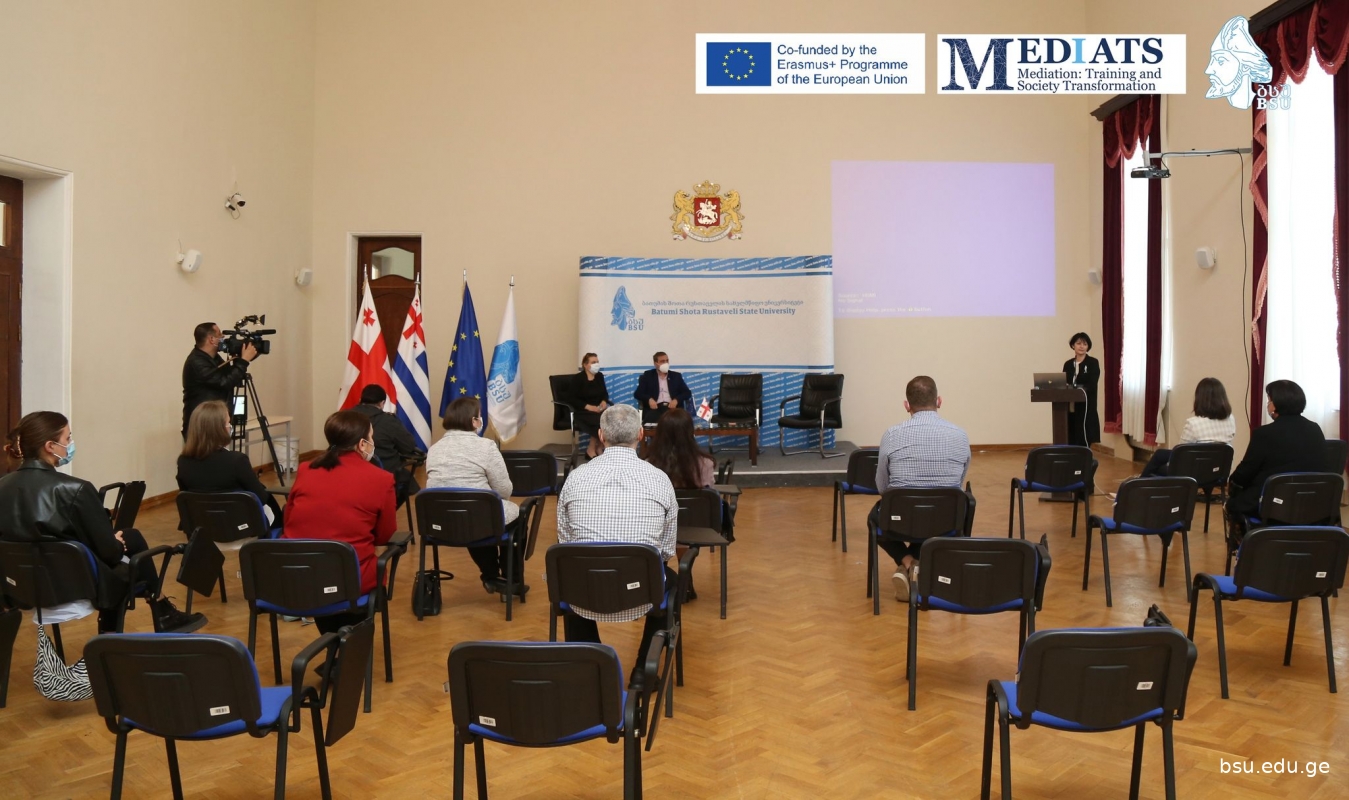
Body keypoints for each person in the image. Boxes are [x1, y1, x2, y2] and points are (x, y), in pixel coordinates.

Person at [0, 411, 205, 633]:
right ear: (50, 446)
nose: (70, 444)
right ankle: (150, 616)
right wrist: (116, 544)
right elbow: (110, 554)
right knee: (125, 556)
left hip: (20, 586)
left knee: (129, 538)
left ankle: (160, 612)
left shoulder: (3, 486)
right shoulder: (75, 489)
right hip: (73, 586)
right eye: (68, 438)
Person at [556, 404, 677, 674]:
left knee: (572, 571)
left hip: (583, 593)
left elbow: (565, 546)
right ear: (641, 434)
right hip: (642, 593)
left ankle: (592, 669)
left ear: (601, 435)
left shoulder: (575, 478)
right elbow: (667, 550)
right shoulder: (660, 479)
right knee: (672, 580)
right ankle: (643, 672)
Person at [282, 410, 396, 634]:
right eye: (371, 437)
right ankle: (346, 645)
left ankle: (334, 642)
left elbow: (289, 520)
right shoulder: (381, 479)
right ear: (362, 444)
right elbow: (384, 535)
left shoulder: (306, 469)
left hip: (300, 574)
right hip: (350, 577)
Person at [871, 376, 972, 602]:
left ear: (907, 405)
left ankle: (908, 563)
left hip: (902, 517)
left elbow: (883, 487)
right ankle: (915, 565)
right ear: (939, 401)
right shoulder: (960, 435)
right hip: (947, 518)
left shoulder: (892, 434)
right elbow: (959, 483)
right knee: (930, 513)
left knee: (876, 518)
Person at [425, 397, 525, 595]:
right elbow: (504, 490)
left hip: (441, 523)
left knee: (472, 515)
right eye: (479, 417)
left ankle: (490, 575)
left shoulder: (433, 449)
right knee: (511, 517)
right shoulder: (486, 447)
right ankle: (511, 580)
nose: (481, 421)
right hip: (478, 519)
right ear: (473, 421)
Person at [1227, 380, 1328, 519]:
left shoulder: (1264, 433)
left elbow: (1246, 471)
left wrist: (1233, 481)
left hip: (1272, 505)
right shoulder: (1315, 429)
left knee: (1233, 504)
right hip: (1311, 503)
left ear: (1275, 405)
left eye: (1269, 400)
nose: (1268, 404)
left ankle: (1244, 532)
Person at [644, 408, 717, 601]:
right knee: (684, 525)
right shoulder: (705, 463)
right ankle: (685, 577)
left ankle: (662, 575)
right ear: (690, 432)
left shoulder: (648, 464)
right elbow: (710, 495)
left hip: (657, 527)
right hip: (696, 526)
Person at [176, 400, 284, 527]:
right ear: (219, 429)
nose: (231, 426)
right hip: (242, 528)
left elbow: (186, 499)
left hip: (203, 529)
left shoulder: (183, 462)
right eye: (228, 423)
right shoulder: (237, 461)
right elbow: (261, 497)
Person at [1140, 377, 1237, 477]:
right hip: (1219, 473)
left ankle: (1138, 483)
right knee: (1160, 454)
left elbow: (1179, 454)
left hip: (1194, 474)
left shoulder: (1193, 424)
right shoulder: (1230, 419)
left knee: (1158, 463)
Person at [351, 384, 424, 507]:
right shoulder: (389, 421)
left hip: (348, 473)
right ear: (382, 403)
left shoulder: (342, 418)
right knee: (407, 480)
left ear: (360, 400)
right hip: (383, 474)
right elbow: (408, 447)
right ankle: (385, 511)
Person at [182, 321, 257, 438]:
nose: (223, 337)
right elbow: (224, 383)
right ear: (212, 339)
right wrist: (243, 362)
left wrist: (239, 358)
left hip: (215, 421)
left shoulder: (214, 358)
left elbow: (231, 377)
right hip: (202, 426)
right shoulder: (196, 362)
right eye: (220, 334)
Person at [568, 353, 611, 459]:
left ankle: (599, 447)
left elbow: (604, 394)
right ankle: (591, 449)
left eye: (597, 362)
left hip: (598, 409)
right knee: (599, 420)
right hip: (582, 411)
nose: (596, 364)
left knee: (609, 418)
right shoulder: (578, 378)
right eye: (593, 362)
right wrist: (588, 407)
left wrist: (604, 401)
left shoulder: (599, 376)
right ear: (585, 365)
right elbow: (571, 398)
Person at [634, 351, 693, 425]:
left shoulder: (676, 376)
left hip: (672, 409)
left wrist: (676, 400)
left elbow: (687, 393)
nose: (665, 363)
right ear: (656, 364)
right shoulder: (648, 376)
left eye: (667, 361)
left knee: (677, 421)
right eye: (662, 361)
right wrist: (649, 399)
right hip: (655, 409)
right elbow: (638, 394)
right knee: (651, 419)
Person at [1063, 332, 1100, 447]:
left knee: (1084, 434)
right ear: (1073, 345)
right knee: (1071, 432)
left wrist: (1078, 389)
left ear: (1088, 347)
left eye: (1085, 344)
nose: (1081, 346)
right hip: (1071, 404)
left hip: (1086, 404)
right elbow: (1064, 382)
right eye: (1078, 343)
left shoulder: (1093, 363)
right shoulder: (1068, 364)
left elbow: (1092, 383)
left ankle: (1085, 455)